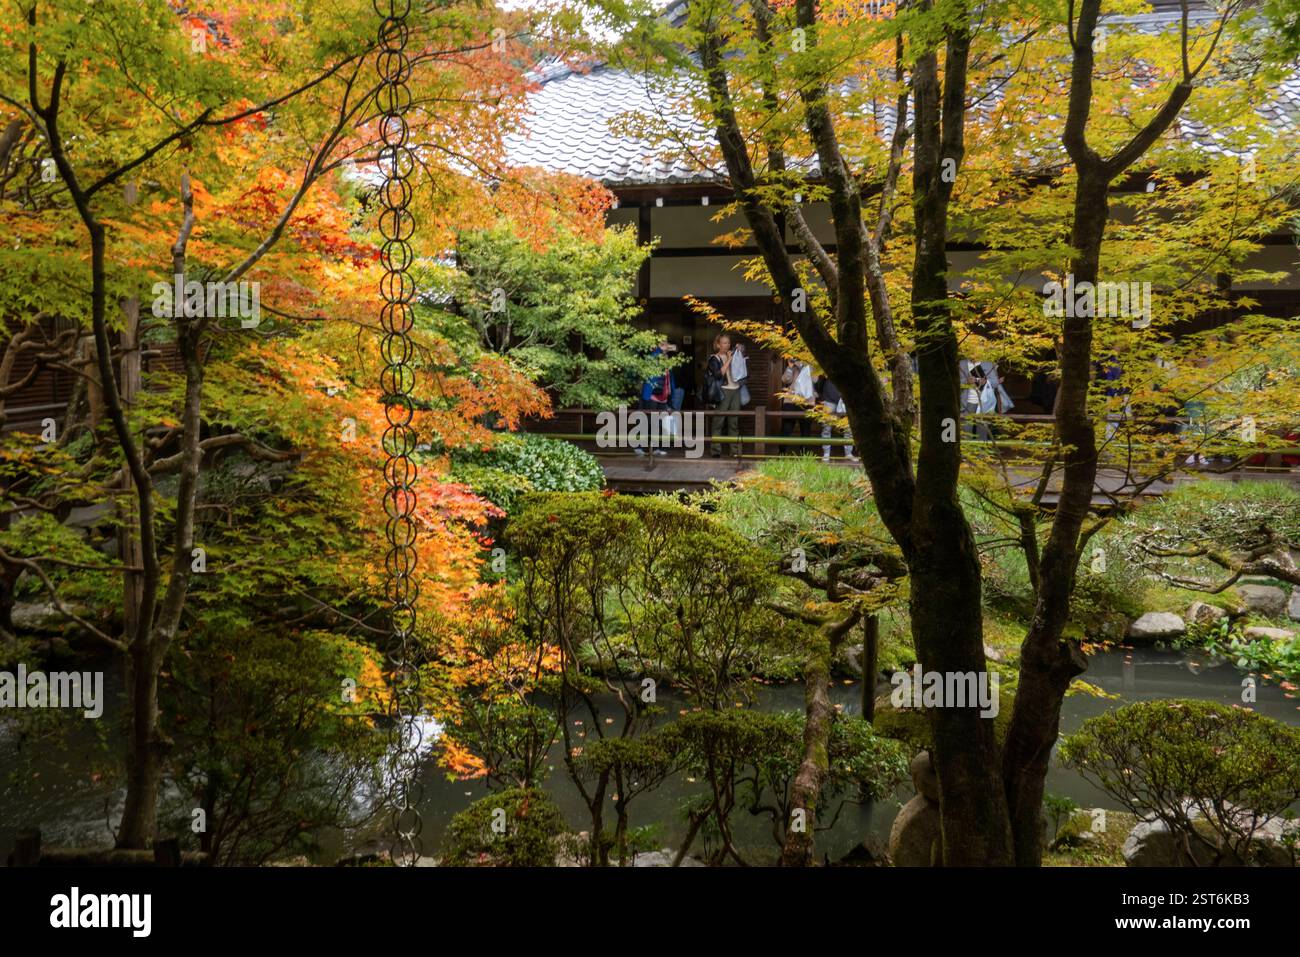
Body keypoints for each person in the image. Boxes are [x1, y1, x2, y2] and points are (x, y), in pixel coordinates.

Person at [633, 339, 676, 456]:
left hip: (663, 395)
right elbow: (651, 361)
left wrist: (672, 392)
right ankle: (638, 446)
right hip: (651, 394)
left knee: (659, 422)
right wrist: (659, 350)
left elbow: (669, 378)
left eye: (667, 344)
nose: (666, 346)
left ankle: (655, 448)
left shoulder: (666, 358)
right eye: (663, 344)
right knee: (646, 421)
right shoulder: (653, 356)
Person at [707, 334, 742, 458]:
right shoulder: (714, 358)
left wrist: (738, 352)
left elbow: (741, 370)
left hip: (736, 390)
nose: (726, 345)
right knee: (719, 421)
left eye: (728, 343)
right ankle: (716, 450)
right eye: (724, 343)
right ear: (718, 345)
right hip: (723, 391)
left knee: (734, 422)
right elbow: (718, 375)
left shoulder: (733, 355)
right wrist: (728, 360)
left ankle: (735, 451)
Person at [816, 375, 856, 462]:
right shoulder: (829, 365)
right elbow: (819, 382)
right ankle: (826, 453)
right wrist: (822, 397)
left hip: (845, 399)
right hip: (829, 400)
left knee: (848, 428)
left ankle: (848, 453)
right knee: (826, 428)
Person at [780, 357, 815, 453]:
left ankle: (804, 453)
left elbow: (815, 380)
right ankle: (782, 452)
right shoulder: (794, 368)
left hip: (807, 402)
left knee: (806, 429)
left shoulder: (812, 368)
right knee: (787, 427)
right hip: (791, 401)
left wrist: (808, 367)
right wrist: (790, 367)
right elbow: (785, 380)